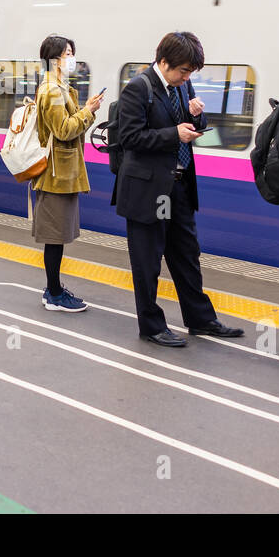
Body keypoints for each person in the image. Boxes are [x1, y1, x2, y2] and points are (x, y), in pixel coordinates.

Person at [112, 31, 243, 346]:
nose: (187, 78)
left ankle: (200, 320)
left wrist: (198, 118)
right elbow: (130, 139)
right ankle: (152, 325)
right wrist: (174, 135)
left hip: (180, 187)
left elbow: (191, 127)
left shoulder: (183, 86)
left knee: (186, 253)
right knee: (148, 259)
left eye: (190, 73)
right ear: (164, 62)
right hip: (151, 190)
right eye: (183, 71)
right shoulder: (137, 89)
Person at [30, 34, 102, 312]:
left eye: (71, 52)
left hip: (62, 173)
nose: (71, 58)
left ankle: (54, 288)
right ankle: (54, 294)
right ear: (53, 58)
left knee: (57, 235)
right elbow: (63, 130)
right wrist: (88, 111)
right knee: (55, 237)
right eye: (66, 53)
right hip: (55, 175)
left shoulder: (60, 87)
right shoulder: (51, 90)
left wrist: (86, 110)